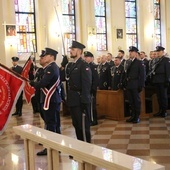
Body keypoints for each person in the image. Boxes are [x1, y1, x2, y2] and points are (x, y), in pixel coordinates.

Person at [30, 48, 62, 156]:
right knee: (53, 123)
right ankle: (56, 146)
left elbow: (43, 83)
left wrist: (33, 83)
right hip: (51, 99)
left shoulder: (52, 68)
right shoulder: (49, 67)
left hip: (51, 100)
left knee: (51, 124)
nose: (44, 57)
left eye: (46, 55)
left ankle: (51, 147)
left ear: (52, 57)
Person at [66, 40, 92, 143]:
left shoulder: (83, 65)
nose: (71, 51)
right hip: (73, 99)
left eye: (73, 49)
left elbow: (86, 84)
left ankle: (86, 148)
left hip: (80, 99)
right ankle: (80, 148)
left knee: (83, 126)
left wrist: (85, 101)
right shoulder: (73, 65)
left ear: (80, 51)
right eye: (71, 49)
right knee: (76, 124)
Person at [122, 46, 145, 123]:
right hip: (129, 84)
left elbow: (142, 75)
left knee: (136, 101)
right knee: (131, 101)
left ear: (135, 54)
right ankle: (132, 116)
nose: (130, 53)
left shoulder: (139, 63)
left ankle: (137, 116)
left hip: (135, 84)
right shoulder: (128, 62)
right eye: (130, 52)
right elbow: (125, 73)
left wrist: (141, 85)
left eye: (132, 52)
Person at [152, 46, 170, 117]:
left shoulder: (166, 60)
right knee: (159, 96)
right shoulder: (157, 60)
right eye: (157, 51)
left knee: (163, 96)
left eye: (159, 51)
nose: (157, 53)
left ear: (162, 52)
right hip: (157, 80)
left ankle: (164, 111)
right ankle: (160, 110)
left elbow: (168, 71)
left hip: (163, 80)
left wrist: (167, 80)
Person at [84, 51, 99, 126]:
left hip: (91, 89)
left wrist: (93, 88)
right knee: (88, 105)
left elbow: (96, 79)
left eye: (87, 57)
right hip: (87, 89)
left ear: (91, 58)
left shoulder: (93, 67)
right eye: (85, 57)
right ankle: (89, 119)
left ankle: (94, 120)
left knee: (92, 105)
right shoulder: (86, 66)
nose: (85, 58)